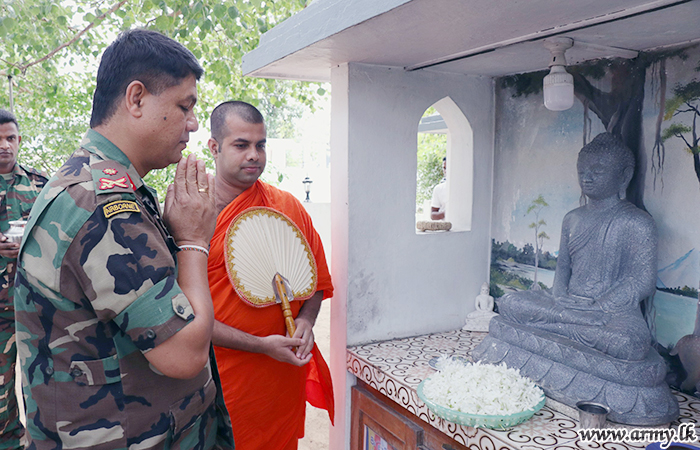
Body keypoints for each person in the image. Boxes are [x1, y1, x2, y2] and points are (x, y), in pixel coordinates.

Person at [14, 29, 233, 450]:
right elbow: (184, 354)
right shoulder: (103, 201)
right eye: (184, 106)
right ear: (136, 99)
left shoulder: (100, 182)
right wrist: (192, 241)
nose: (192, 123)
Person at [206, 101, 334, 450]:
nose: (254, 155)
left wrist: (307, 320)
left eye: (260, 145)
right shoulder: (192, 213)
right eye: (241, 145)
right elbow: (184, 313)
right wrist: (262, 346)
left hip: (279, 380)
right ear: (214, 147)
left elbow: (316, 283)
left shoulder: (287, 206)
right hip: (221, 379)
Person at [497, 132, 656, 361]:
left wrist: (599, 305)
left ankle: (560, 328)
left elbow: (643, 281)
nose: (587, 178)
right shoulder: (572, 218)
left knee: (630, 344)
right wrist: (560, 296)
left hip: (609, 314)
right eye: (582, 172)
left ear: (624, 177)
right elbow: (563, 267)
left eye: (597, 172)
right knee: (510, 303)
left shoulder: (638, 222)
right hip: (568, 306)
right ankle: (571, 323)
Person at [0, 109, 48, 449]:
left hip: (36, 306)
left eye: (11, 138)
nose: (4, 146)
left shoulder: (41, 185)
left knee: (42, 384)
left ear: (19, 140)